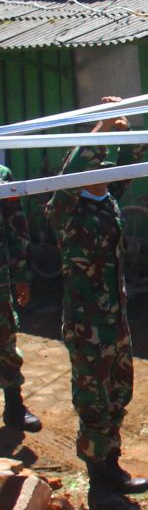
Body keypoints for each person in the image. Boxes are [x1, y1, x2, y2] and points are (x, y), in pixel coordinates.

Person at [45, 108, 148, 510]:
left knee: (118, 394)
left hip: (115, 320)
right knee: (93, 401)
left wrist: (129, 121)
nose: (104, 171)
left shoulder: (107, 202)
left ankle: (112, 467)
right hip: (86, 324)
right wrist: (103, 125)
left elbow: (134, 156)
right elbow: (75, 163)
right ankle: (98, 487)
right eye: (97, 164)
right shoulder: (66, 208)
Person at [1, 163, 41, 433]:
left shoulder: (2, 176)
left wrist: (22, 274)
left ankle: (14, 408)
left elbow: (16, 226)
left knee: (4, 338)